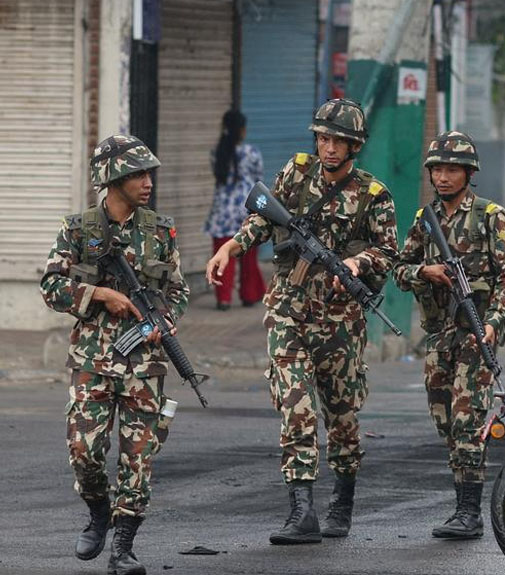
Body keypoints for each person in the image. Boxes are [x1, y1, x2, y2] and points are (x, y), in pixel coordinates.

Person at [205, 99, 398, 544]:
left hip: (340, 321)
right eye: (324, 139)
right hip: (288, 308)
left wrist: (356, 263)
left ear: (355, 146)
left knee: (342, 415)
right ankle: (301, 511)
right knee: (296, 407)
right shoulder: (295, 173)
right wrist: (231, 249)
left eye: (339, 141)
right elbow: (261, 218)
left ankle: (342, 502)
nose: (329, 148)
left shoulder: (374, 195)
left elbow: (388, 253)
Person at [40, 134, 189, 575]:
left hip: (144, 363)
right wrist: (100, 294)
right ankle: (98, 511)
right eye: (137, 174)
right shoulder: (78, 230)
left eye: (148, 174)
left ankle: (123, 547)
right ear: (111, 179)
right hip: (92, 361)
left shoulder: (160, 230)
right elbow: (51, 286)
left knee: (138, 457)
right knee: (84, 452)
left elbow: (179, 288)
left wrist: (164, 318)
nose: (147, 182)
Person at [393, 131, 505, 539]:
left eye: (452, 170)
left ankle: (469, 512)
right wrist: (424, 272)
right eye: (438, 170)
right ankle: (462, 502)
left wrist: (493, 324)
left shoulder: (489, 216)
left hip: (475, 333)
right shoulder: (424, 220)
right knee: (444, 418)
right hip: (439, 335)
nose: (444, 177)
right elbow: (397, 268)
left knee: (468, 419)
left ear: (469, 173)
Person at [204, 109, 266, 310]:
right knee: (248, 257)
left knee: (222, 256)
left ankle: (223, 298)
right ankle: (249, 295)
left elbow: (217, 175)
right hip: (246, 210)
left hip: (221, 213)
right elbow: (259, 178)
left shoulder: (217, 152)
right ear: (242, 130)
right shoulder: (252, 152)